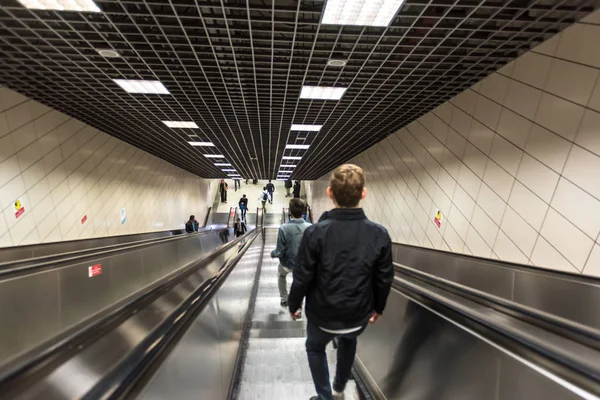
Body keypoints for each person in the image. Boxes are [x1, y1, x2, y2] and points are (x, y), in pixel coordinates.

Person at [288, 164, 394, 400]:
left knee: (315, 347)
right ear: (363, 193)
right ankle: (339, 390)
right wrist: (378, 308)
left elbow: (302, 275)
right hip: (357, 317)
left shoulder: (315, 233)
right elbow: (384, 277)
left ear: (330, 193)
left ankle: (325, 397)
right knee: (348, 340)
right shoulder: (380, 234)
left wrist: (294, 304)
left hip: (321, 316)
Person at [271, 198, 311, 308]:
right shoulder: (310, 227)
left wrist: (273, 254)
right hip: (303, 265)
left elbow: (280, 251)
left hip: (287, 264)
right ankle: (299, 301)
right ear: (303, 211)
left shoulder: (283, 228)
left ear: (290, 211)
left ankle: (284, 299)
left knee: (281, 275)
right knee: (299, 279)